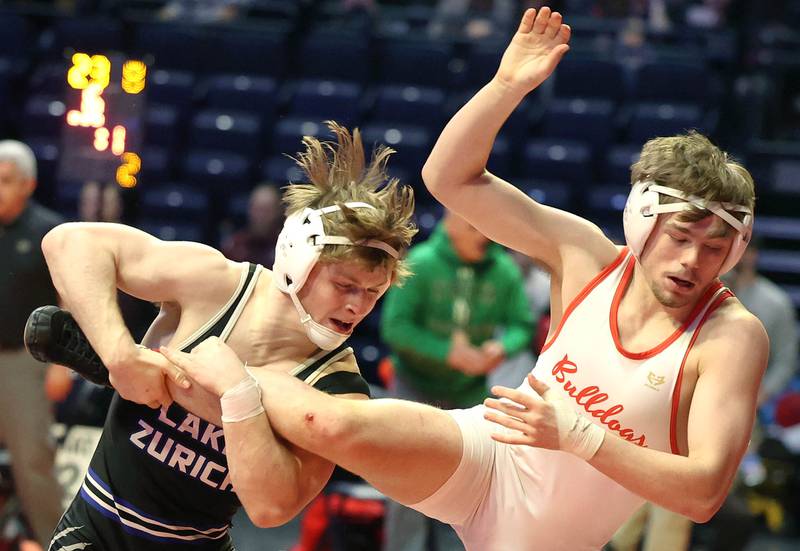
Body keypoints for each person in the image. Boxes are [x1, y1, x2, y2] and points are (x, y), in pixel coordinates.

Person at [115, 8, 772, 550]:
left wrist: (577, 433)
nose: (692, 261)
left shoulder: (730, 335)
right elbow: (450, 180)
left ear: (737, 248)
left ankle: (169, 370)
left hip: (548, 537)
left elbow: (704, 491)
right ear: (642, 221)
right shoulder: (585, 254)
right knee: (329, 422)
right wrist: (506, 86)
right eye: (681, 238)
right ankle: (183, 369)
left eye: (715, 248)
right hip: (485, 455)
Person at [36, 122, 417, 550]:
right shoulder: (217, 283)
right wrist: (120, 355)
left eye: (373, 292)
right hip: (99, 527)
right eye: (345, 286)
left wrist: (239, 398)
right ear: (299, 258)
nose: (359, 306)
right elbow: (69, 243)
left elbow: (271, 508)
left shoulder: (338, 390)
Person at [380, 211, 534, 551]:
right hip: (414, 387)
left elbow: (522, 325)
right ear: (450, 223)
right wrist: (445, 352)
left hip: (469, 392)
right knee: (407, 483)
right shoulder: (420, 263)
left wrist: (501, 347)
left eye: (485, 227)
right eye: (472, 227)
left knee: (471, 486)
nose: (483, 236)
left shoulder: (504, 270)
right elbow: (395, 327)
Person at [0, 140, 65, 548]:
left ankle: (56, 541)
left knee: (32, 461)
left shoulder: (50, 232)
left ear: (28, 184)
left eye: (5, 181)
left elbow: (69, 302)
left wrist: (62, 364)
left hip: (24, 362)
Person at [723, 235, 798, 407]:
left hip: (748, 403)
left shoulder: (776, 302)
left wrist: (761, 395)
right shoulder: (704, 293)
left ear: (753, 254)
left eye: (742, 249)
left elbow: (786, 360)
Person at [221, 184, 284, 267]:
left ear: (278, 212)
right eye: (256, 209)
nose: (260, 216)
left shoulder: (285, 247)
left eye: (266, 210)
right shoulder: (234, 245)